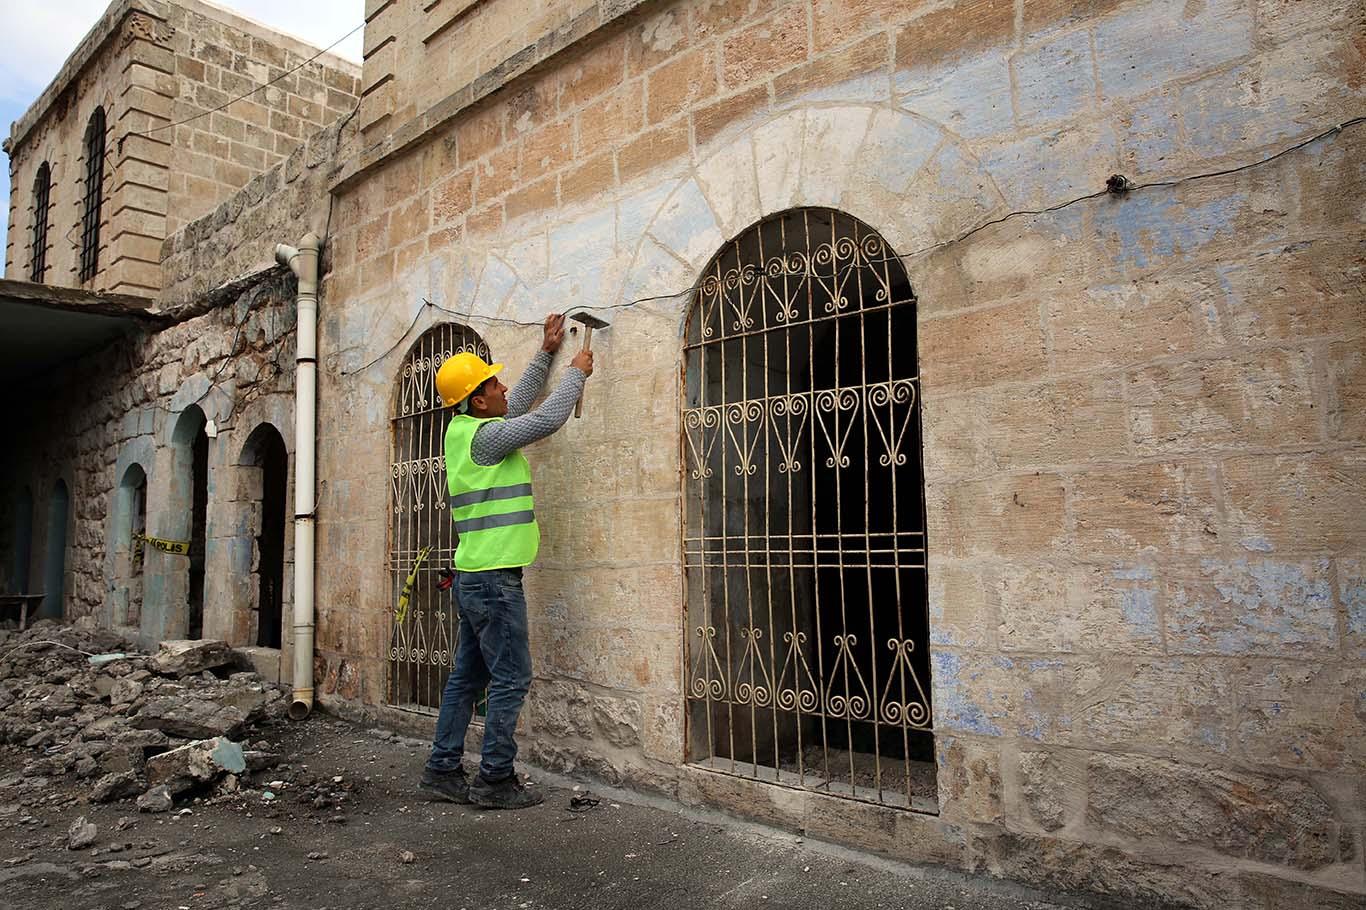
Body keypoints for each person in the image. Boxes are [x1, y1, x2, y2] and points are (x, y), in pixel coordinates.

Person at [418, 313, 593, 810]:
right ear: (477, 400)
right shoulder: (486, 437)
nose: (503, 387)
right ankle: (495, 779)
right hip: (494, 581)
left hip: (475, 577)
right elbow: (545, 419)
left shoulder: (466, 430)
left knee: (467, 678)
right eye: (494, 384)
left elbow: (517, 405)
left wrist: (547, 351)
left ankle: (441, 770)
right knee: (512, 678)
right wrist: (576, 373)